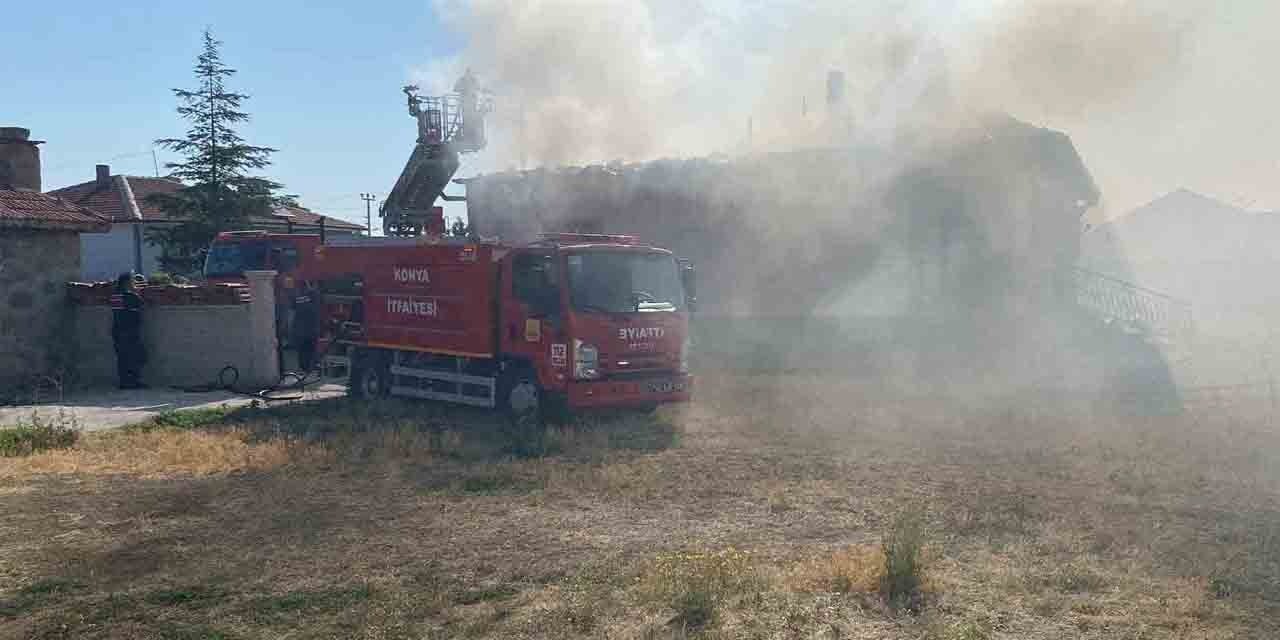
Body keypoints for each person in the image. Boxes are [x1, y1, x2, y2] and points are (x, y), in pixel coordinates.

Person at [110, 272, 147, 389]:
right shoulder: (130, 296)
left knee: (122, 358)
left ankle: (124, 382)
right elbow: (140, 306)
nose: (134, 284)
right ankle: (133, 382)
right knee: (133, 357)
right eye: (132, 281)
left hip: (117, 331)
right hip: (129, 331)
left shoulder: (114, 295)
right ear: (127, 283)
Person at [292, 280, 321, 372]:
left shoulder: (296, 295)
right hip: (310, 327)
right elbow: (316, 308)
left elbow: (293, 308)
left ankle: (305, 367)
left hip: (302, 328)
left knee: (303, 350)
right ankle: (309, 367)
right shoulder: (313, 294)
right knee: (310, 349)